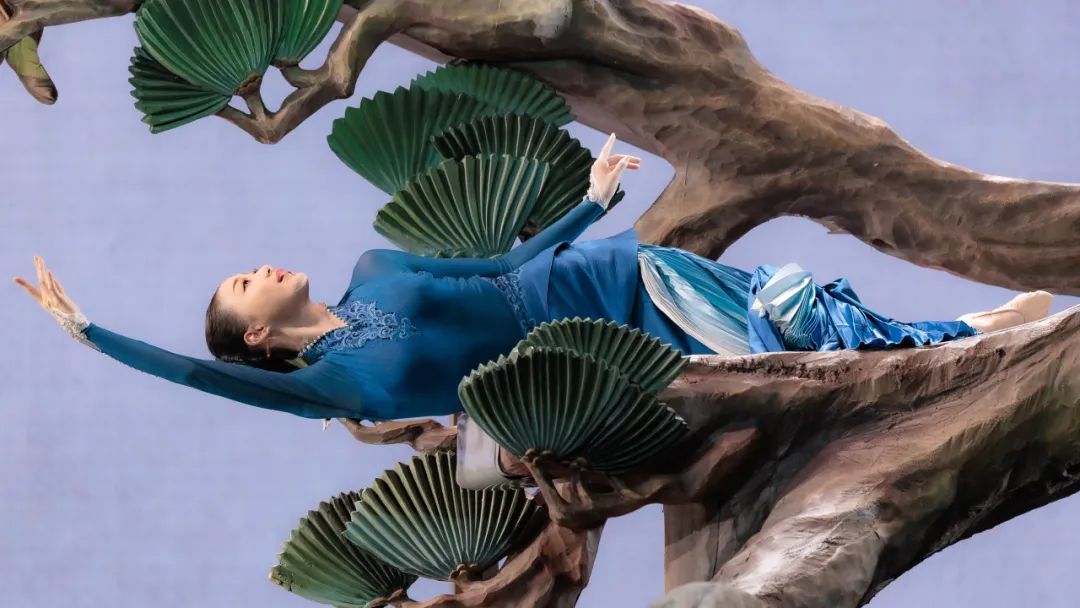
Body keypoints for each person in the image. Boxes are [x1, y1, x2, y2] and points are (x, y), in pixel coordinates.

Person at [14, 134, 1054, 426]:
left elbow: (503, 264)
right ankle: (959, 343)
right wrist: (91, 333)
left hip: (608, 278)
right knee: (782, 363)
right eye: (247, 283)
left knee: (787, 304)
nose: (262, 266)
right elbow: (198, 380)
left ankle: (956, 333)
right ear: (257, 337)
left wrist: (593, 203)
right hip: (597, 372)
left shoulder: (377, 264)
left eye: (252, 264)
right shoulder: (335, 389)